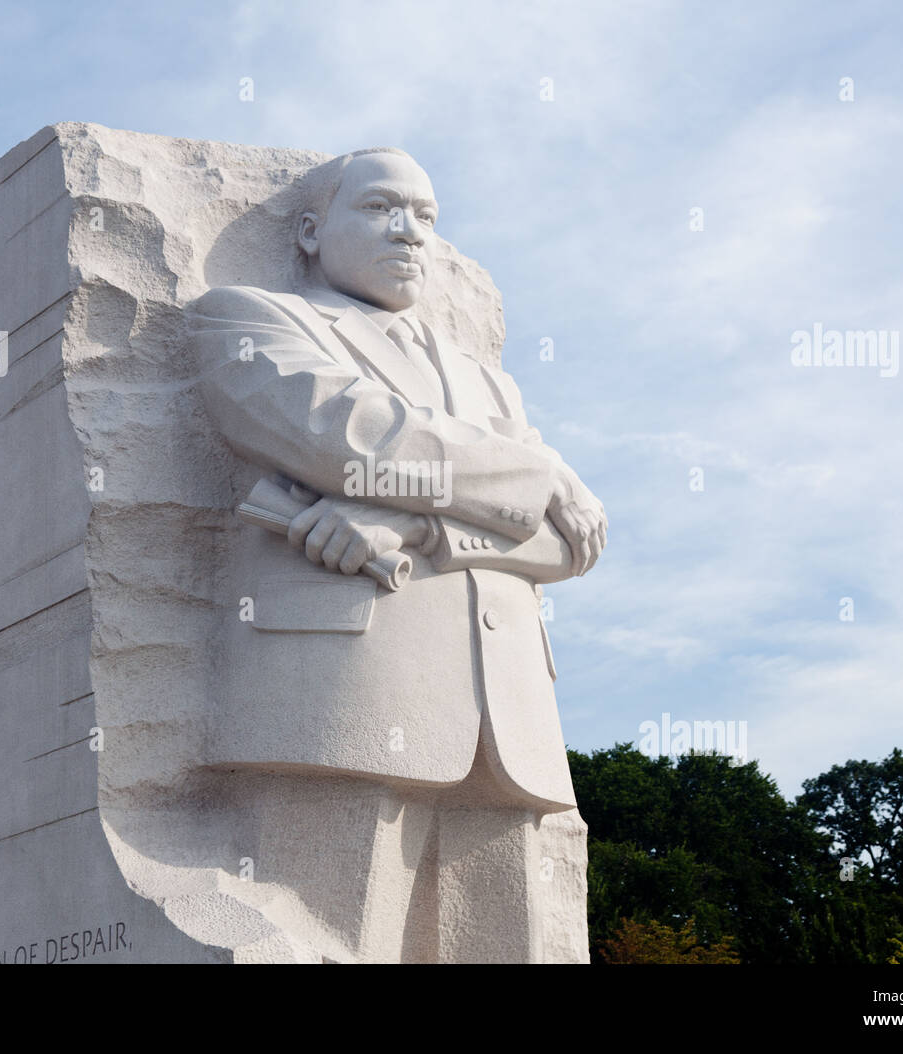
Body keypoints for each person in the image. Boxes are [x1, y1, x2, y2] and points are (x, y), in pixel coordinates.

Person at [189, 147, 606, 962]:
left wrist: (414, 528)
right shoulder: (247, 318)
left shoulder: (489, 385)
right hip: (347, 694)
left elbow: (570, 541)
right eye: (382, 208)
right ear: (310, 231)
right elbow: (354, 435)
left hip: (510, 719)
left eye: (426, 217)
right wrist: (543, 468)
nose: (411, 233)